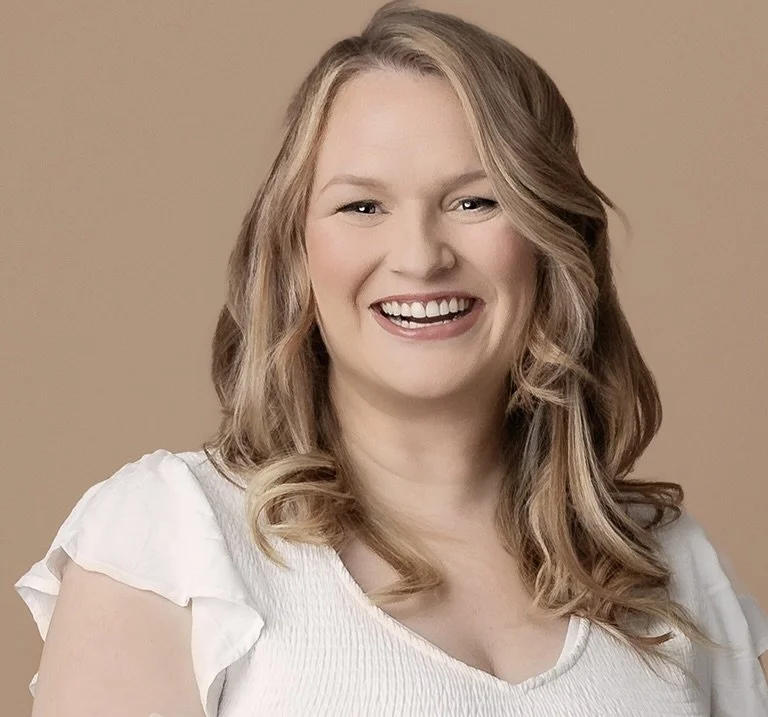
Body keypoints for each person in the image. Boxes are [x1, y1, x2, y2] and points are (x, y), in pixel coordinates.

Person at [14, 2, 768, 715]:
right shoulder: (172, 540)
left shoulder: (672, 569)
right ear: (294, 253)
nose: (420, 257)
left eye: (475, 201)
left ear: (549, 241)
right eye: (362, 206)